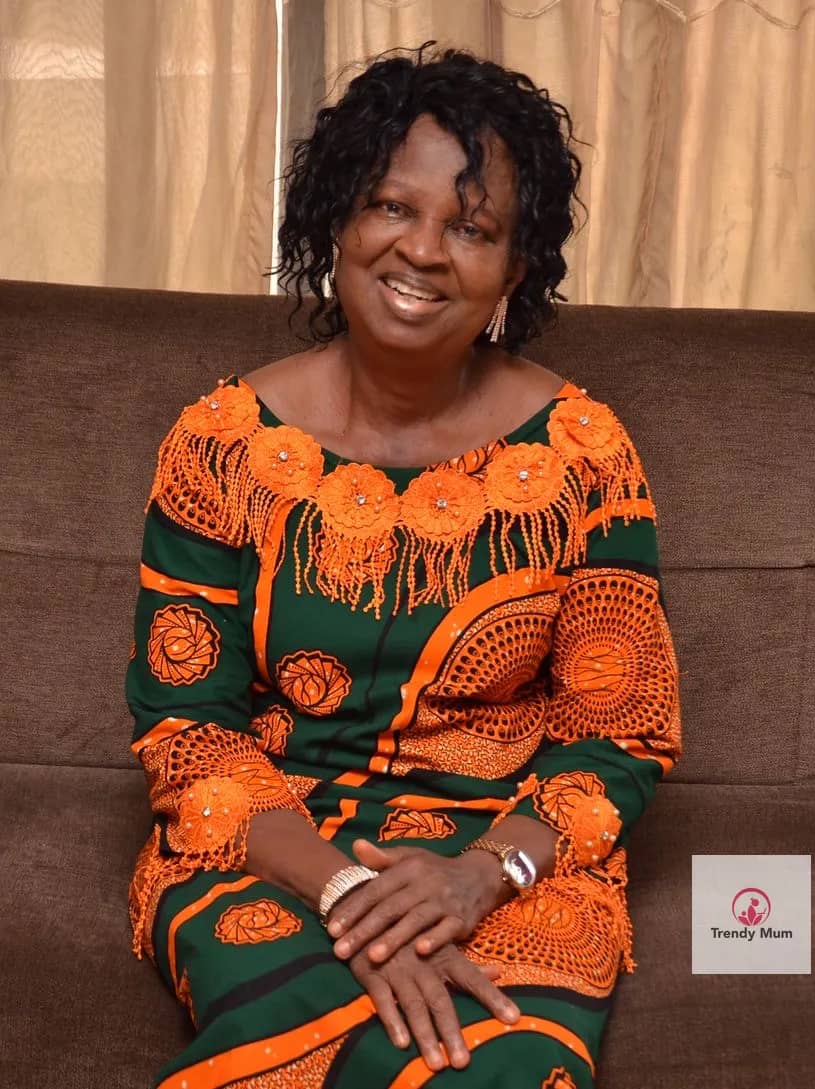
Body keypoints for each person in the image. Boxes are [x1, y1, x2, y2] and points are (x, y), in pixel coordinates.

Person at [126, 42, 682, 1089]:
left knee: (489, 1061)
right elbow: (187, 729)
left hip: (505, 857)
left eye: (470, 228)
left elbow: (620, 731)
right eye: (392, 207)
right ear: (338, 220)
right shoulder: (220, 446)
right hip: (269, 842)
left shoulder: (583, 455)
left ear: (514, 269)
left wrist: (480, 876)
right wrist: (347, 896)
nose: (422, 251)